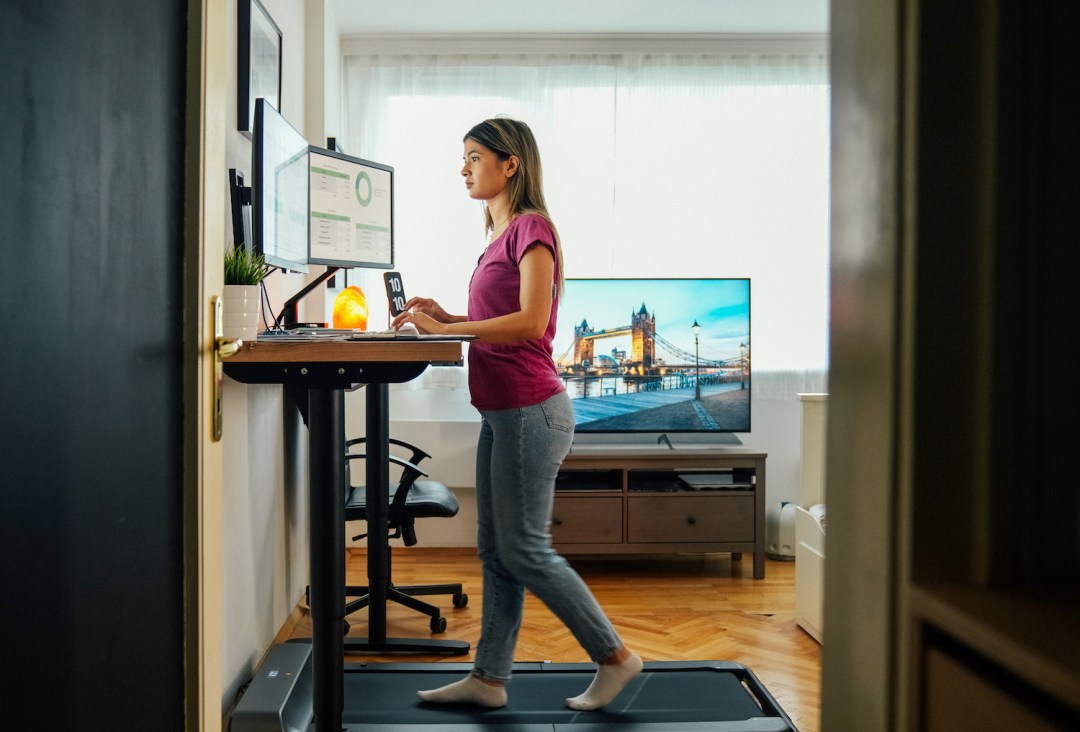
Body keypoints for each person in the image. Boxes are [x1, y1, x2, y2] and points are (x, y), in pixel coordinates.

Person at [392, 117, 643, 711]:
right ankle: (489, 678)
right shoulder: (498, 235)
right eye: (464, 158)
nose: (464, 168)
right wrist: (447, 318)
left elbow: (532, 323)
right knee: (494, 550)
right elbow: (500, 324)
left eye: (474, 157)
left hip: (533, 410)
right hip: (502, 411)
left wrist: (451, 327)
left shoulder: (532, 228)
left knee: (525, 549)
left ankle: (615, 657)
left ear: (511, 164)